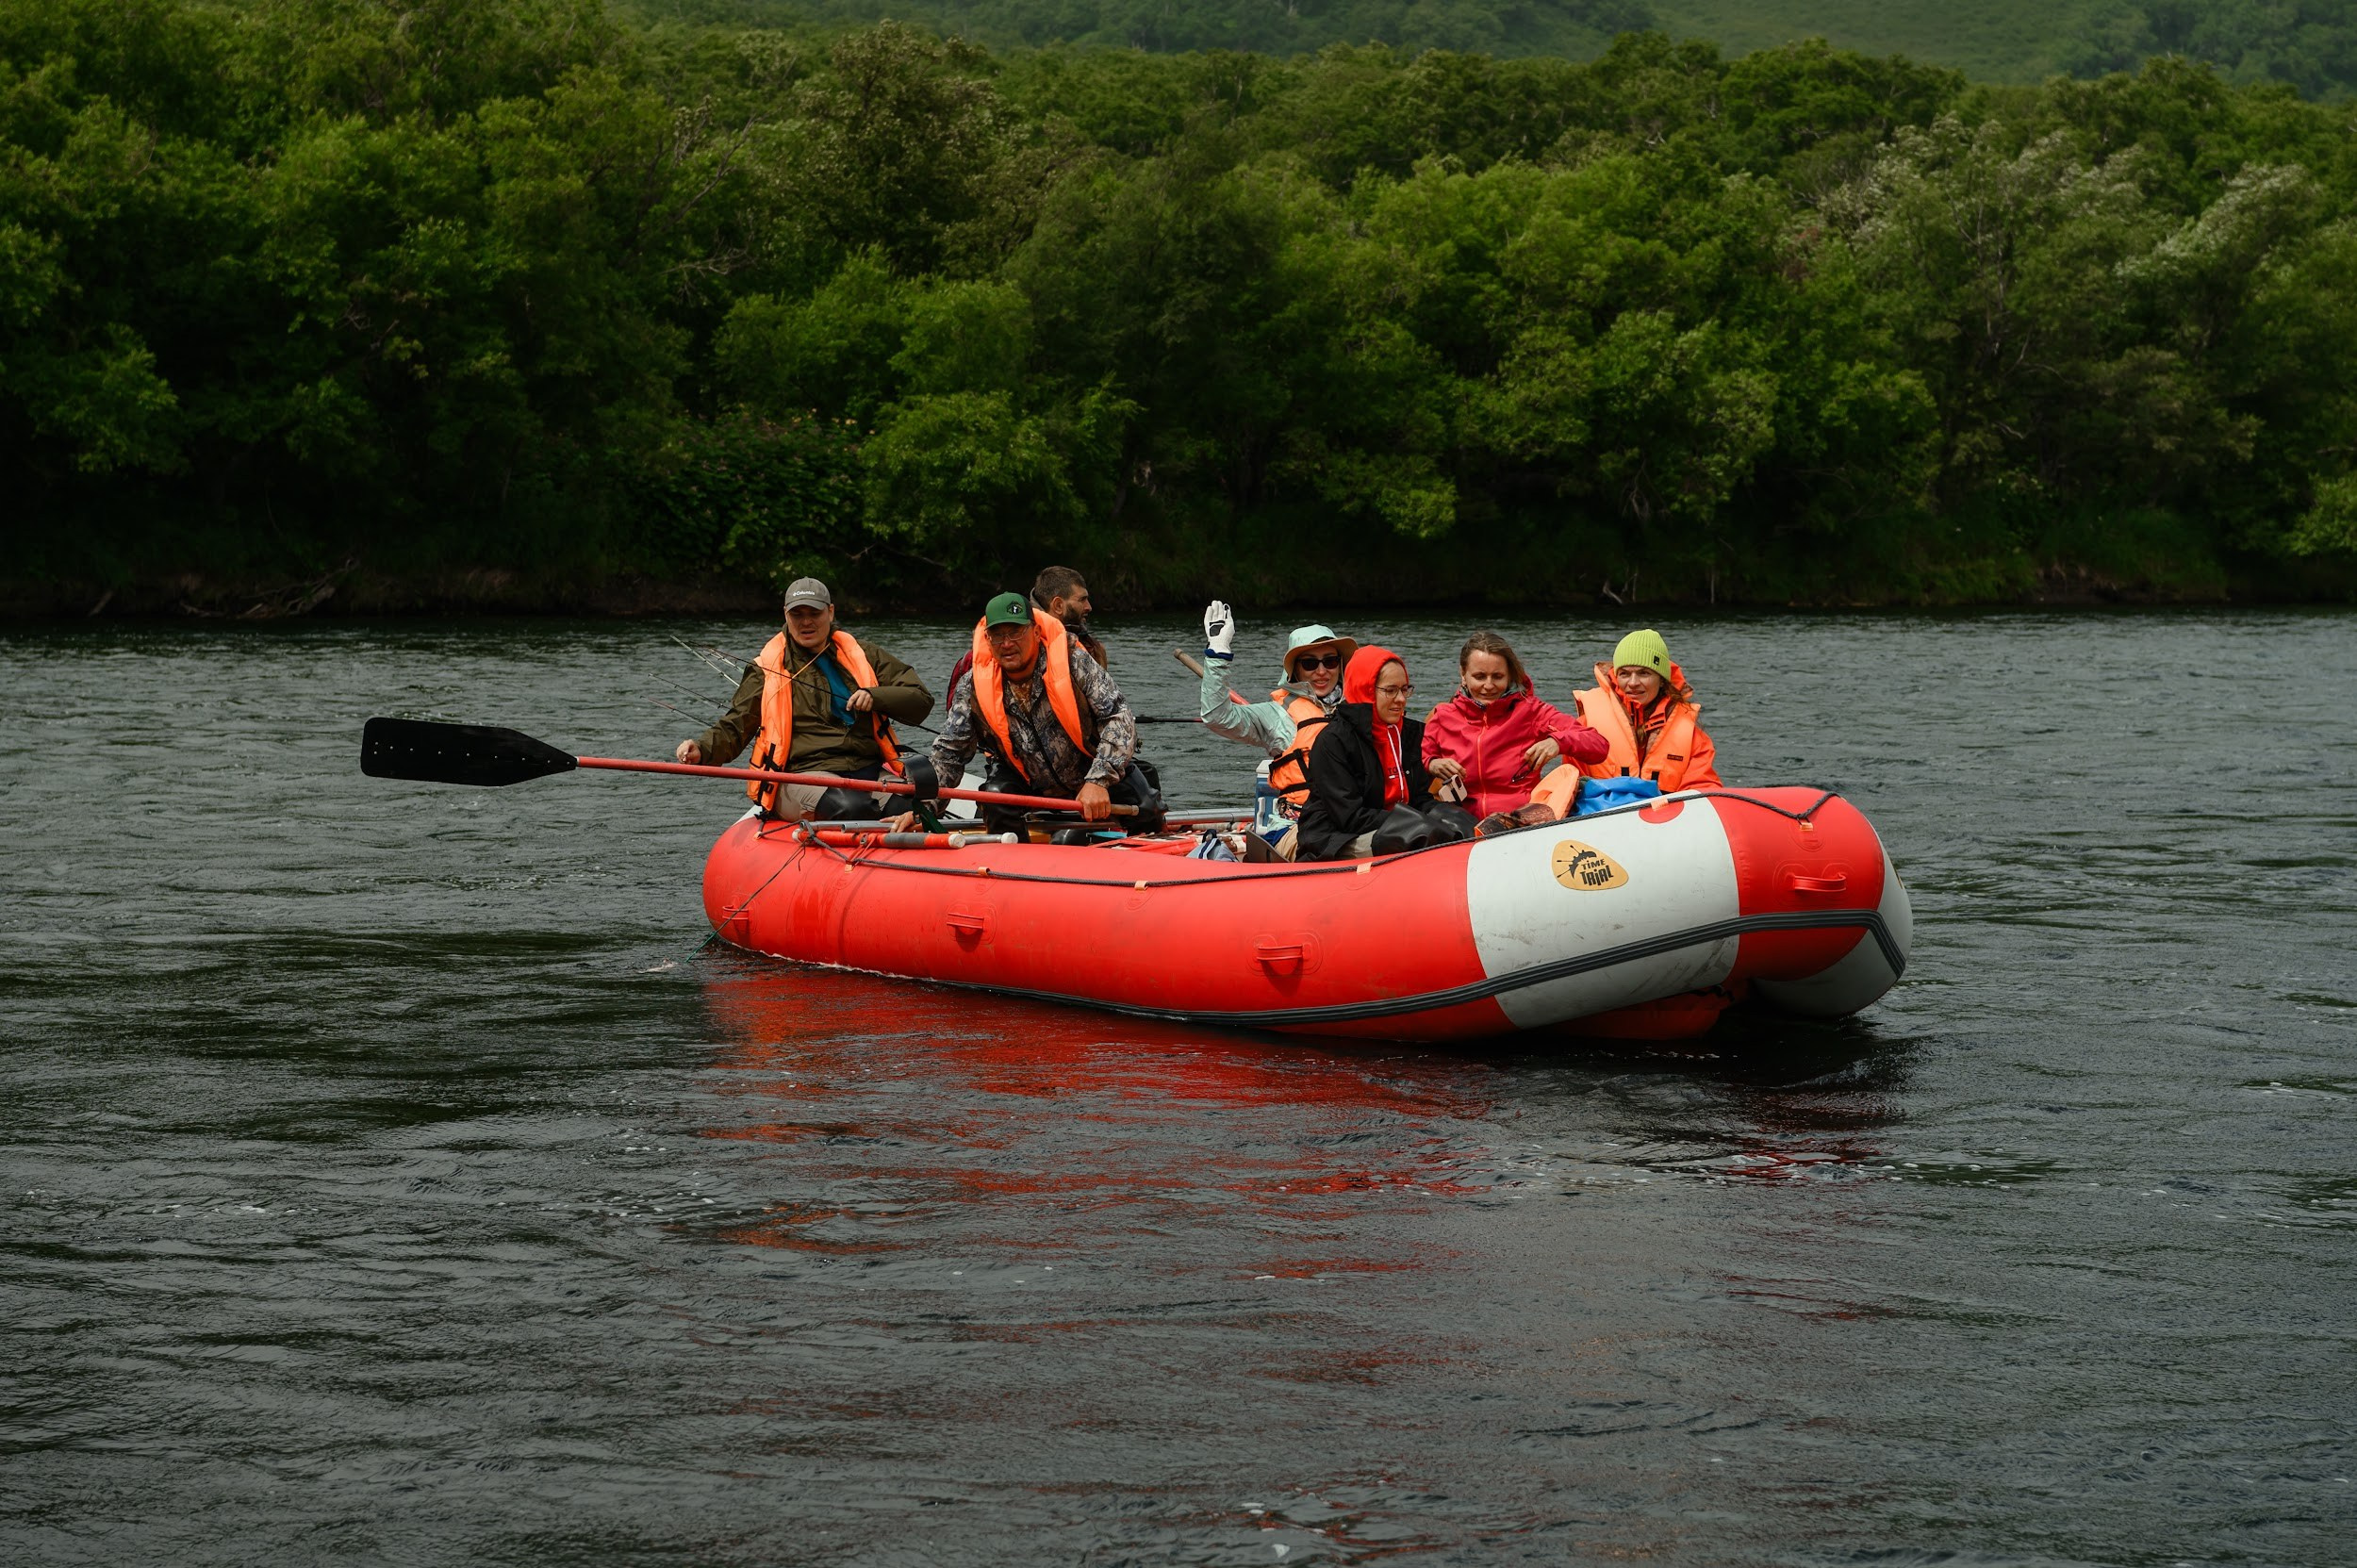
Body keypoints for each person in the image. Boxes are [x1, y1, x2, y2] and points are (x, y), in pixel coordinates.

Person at [675, 577, 933, 820]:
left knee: (913, 808)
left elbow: (920, 698)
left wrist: (875, 696)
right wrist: (702, 749)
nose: (806, 622)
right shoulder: (765, 668)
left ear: (830, 612)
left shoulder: (865, 654)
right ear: (785, 615)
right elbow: (735, 726)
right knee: (851, 807)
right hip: (801, 776)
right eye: (797, 614)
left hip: (866, 771)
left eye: (814, 613)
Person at [898, 590, 1146, 833]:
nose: (1007, 644)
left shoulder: (1075, 662)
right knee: (994, 797)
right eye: (998, 635)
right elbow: (950, 752)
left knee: (1147, 805)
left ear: (1036, 632)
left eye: (1016, 632)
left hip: (1093, 774)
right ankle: (1013, 856)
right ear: (988, 640)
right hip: (1028, 786)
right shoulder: (971, 686)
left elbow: (1118, 717)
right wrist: (924, 809)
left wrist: (1098, 780)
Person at [1196, 601, 1356, 834]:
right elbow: (1216, 716)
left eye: (1330, 661)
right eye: (1310, 663)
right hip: (1298, 825)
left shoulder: (1358, 708)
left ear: (1340, 665)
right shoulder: (1275, 715)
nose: (1321, 671)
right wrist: (1218, 654)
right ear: (1295, 670)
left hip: (1353, 819)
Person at [1422, 630, 1608, 818]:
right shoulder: (1442, 716)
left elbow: (1599, 745)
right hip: (1460, 823)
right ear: (1463, 674)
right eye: (1479, 677)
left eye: (1497, 676)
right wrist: (1431, 764)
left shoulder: (1533, 712)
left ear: (1509, 675)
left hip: (1519, 821)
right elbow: (1415, 762)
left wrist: (1558, 742)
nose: (1488, 685)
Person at [1296, 646, 1433, 861]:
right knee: (1419, 835)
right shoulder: (1332, 742)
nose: (1401, 699)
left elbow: (1421, 798)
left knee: (1452, 823)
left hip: (1400, 825)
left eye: (1404, 689)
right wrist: (1416, 821)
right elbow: (1349, 817)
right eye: (1390, 690)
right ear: (1366, 690)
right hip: (1336, 839)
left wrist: (1449, 817)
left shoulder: (1411, 734)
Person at [1567, 627, 1722, 791]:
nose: (1633, 683)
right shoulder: (1586, 725)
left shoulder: (1691, 735)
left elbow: (1703, 786)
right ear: (1616, 677)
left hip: (1667, 808)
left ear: (1661, 680)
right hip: (1600, 806)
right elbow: (1570, 783)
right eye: (1624, 674)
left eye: (1644, 673)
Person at [946, 565, 1105, 699]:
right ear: (1058, 605)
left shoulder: (1091, 651)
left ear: (1036, 632)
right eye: (1082, 599)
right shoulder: (973, 663)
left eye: (1015, 633)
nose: (1089, 607)